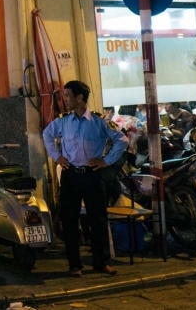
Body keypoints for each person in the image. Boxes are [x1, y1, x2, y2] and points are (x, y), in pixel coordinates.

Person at [42, 80, 126, 277]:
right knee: (69, 220)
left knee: (98, 219)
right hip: (71, 175)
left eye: (68, 95)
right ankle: (74, 265)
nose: (65, 99)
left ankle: (101, 262)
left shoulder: (100, 121)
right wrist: (57, 157)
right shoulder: (63, 121)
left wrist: (106, 161)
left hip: (93, 176)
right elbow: (47, 135)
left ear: (80, 98)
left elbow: (122, 140)